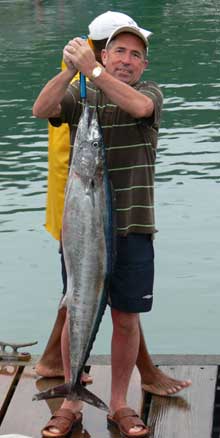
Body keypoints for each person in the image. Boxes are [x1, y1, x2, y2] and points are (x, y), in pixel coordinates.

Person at [33, 17, 192, 438]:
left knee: (126, 319)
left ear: (144, 65)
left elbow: (139, 109)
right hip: (83, 234)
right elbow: (42, 109)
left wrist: (94, 72)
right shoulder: (81, 99)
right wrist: (70, 70)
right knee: (75, 307)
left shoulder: (148, 95)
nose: (127, 60)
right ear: (104, 53)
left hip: (134, 229)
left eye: (136, 55)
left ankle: (119, 403)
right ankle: (70, 399)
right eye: (119, 51)